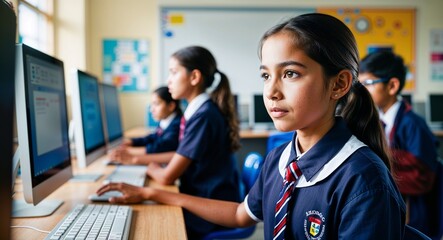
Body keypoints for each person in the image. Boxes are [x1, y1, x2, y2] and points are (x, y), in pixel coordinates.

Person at [97, 13, 406, 239]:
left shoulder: (363, 183)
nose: (271, 92)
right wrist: (154, 194)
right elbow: (239, 215)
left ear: (338, 84)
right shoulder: (280, 160)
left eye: (290, 74)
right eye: (265, 75)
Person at [106, 46, 242, 238]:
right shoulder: (200, 112)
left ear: (194, 77)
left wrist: (151, 167)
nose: (169, 80)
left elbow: (166, 177)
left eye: (174, 72)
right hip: (203, 196)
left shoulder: (203, 116)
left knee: (148, 227)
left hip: (209, 208)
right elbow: (180, 155)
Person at [359, 50, 439, 235]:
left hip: (414, 214)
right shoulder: (373, 121)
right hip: (386, 207)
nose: (362, 90)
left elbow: (422, 177)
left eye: (368, 83)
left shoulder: (413, 125)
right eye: (359, 84)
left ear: (392, 86)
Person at [111, 86, 182, 161]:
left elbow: (163, 146)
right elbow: (153, 137)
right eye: (152, 104)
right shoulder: (165, 122)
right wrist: (132, 141)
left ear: (171, 106)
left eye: (156, 104)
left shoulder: (177, 125)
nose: (151, 109)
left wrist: (129, 151)